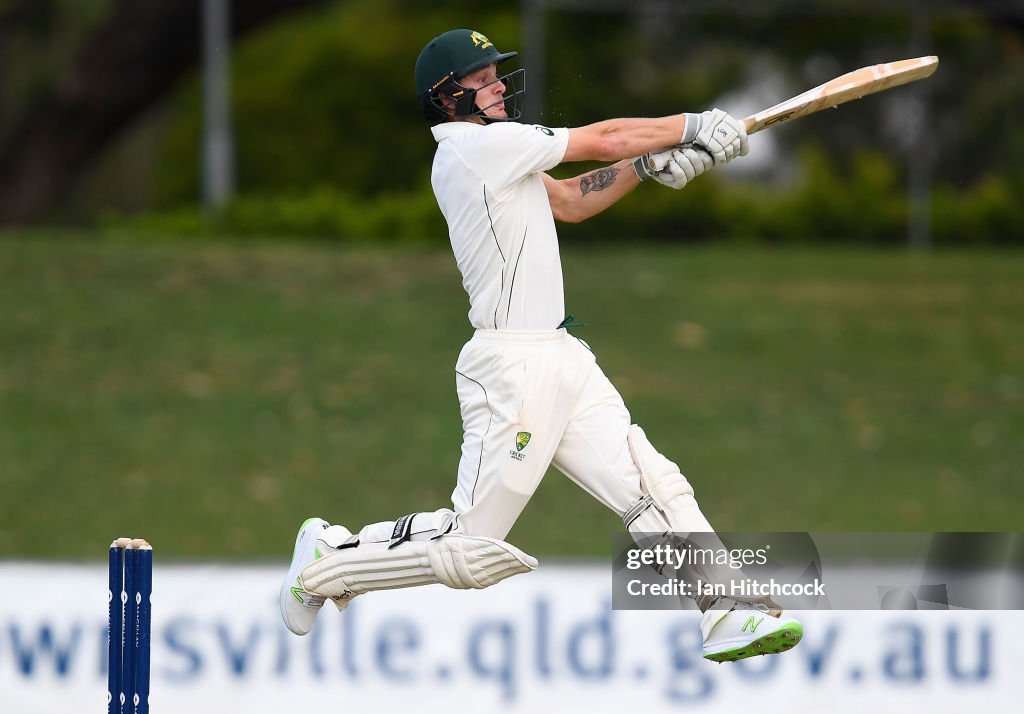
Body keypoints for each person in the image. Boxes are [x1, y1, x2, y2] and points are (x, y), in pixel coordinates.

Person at [279, 27, 803, 663]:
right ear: (447, 97)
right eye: (482, 78)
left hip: (561, 355)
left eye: (498, 73)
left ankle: (724, 609)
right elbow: (604, 138)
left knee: (653, 482)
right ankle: (328, 560)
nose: (498, 84)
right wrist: (692, 126)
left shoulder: (501, 154)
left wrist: (646, 165)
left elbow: (570, 203)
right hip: (511, 367)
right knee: (471, 547)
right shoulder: (473, 149)